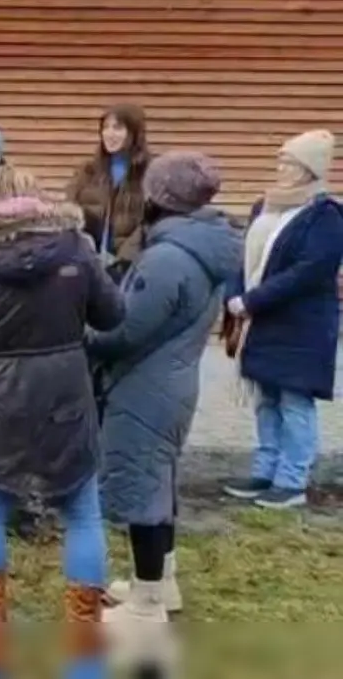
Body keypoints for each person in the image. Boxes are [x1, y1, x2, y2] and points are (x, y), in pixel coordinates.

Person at [0, 165, 124, 669]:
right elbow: (113, 315)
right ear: (39, 198)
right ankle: (84, 649)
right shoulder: (76, 248)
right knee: (82, 509)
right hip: (62, 390)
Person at [86, 151, 238, 622]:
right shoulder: (199, 247)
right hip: (170, 382)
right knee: (158, 486)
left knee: (142, 491)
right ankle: (159, 583)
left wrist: (82, 334)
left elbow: (125, 330)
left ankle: (147, 604)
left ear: (161, 197)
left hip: (144, 388)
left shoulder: (170, 257)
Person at [223, 129, 343, 510]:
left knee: (294, 400)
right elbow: (245, 257)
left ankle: (292, 480)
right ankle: (265, 470)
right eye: (281, 160)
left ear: (311, 169)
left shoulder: (325, 216)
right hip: (263, 321)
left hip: (302, 324)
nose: (282, 168)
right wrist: (234, 293)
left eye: (291, 163)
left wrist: (252, 300)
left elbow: (308, 272)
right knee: (266, 398)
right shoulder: (266, 205)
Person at [65, 105, 150, 280]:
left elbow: (150, 222)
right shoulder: (87, 171)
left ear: (134, 133)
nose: (109, 134)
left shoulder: (149, 173)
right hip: (90, 264)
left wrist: (124, 259)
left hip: (130, 267)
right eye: (105, 127)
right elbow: (70, 212)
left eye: (117, 128)